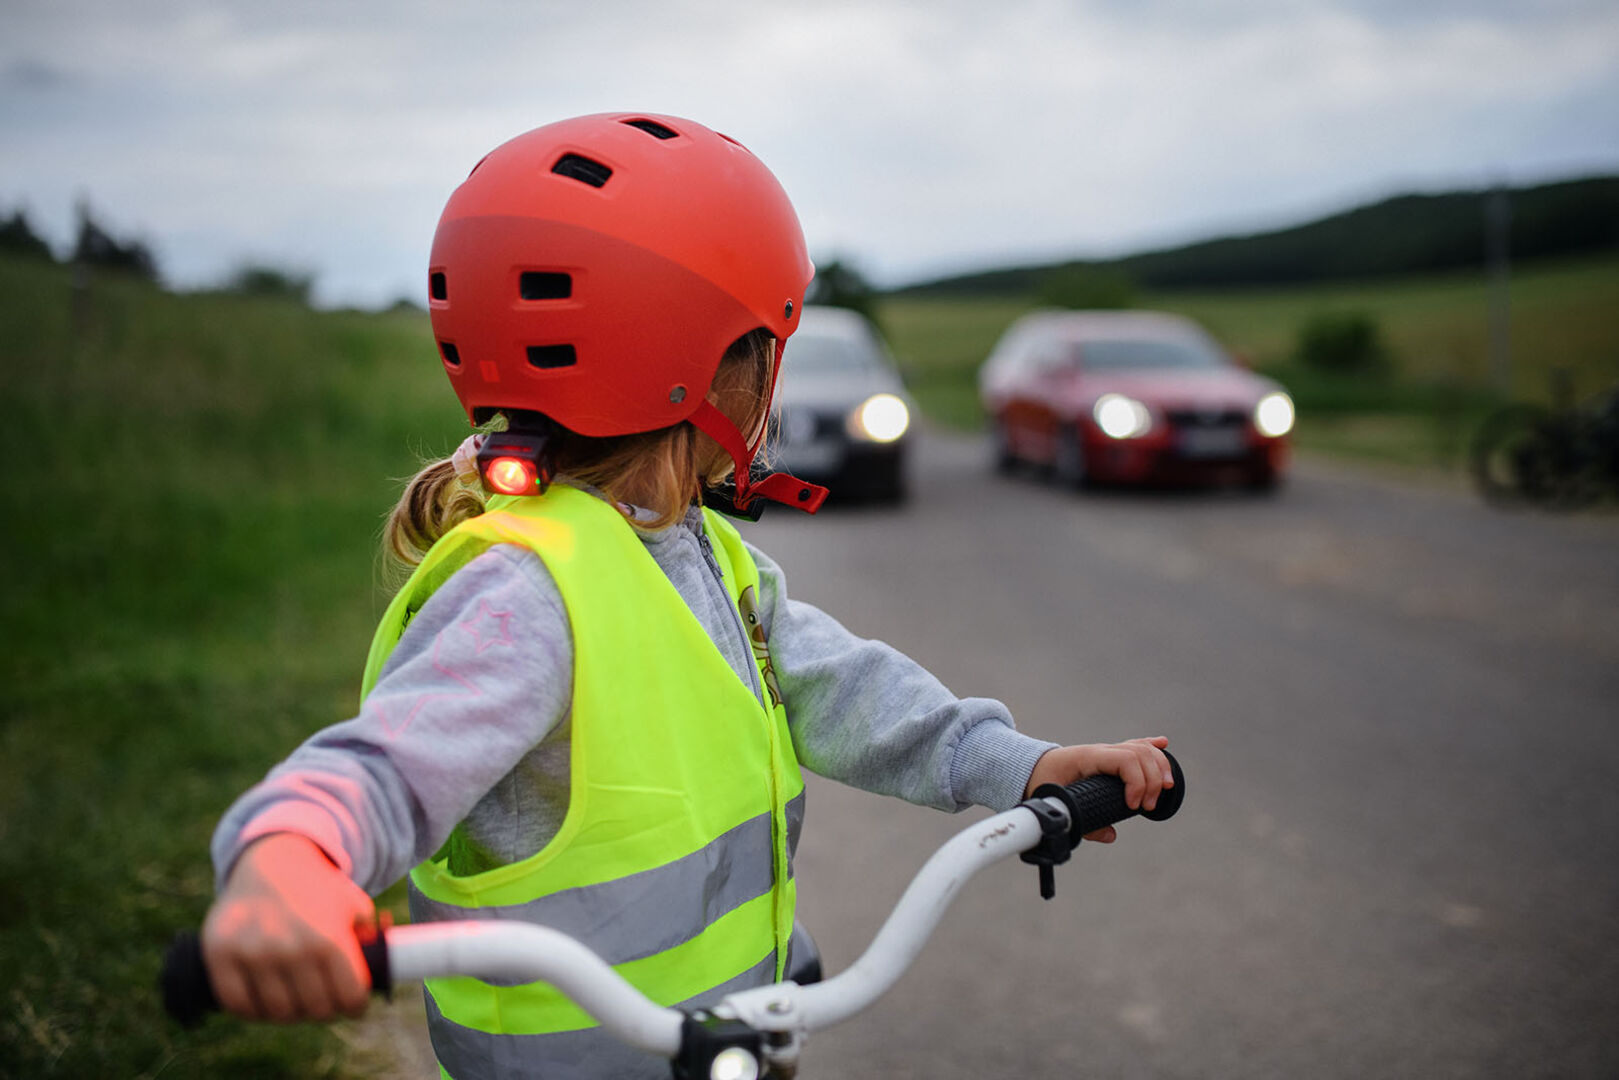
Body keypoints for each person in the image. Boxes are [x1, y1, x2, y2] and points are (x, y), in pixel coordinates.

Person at [201, 112, 1174, 1079]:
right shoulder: (523, 594)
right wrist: (288, 857)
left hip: (732, 1029)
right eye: (765, 344)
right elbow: (383, 767)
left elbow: (837, 686)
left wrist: (1019, 764)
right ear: (708, 368)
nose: (771, 378)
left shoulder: (692, 543)